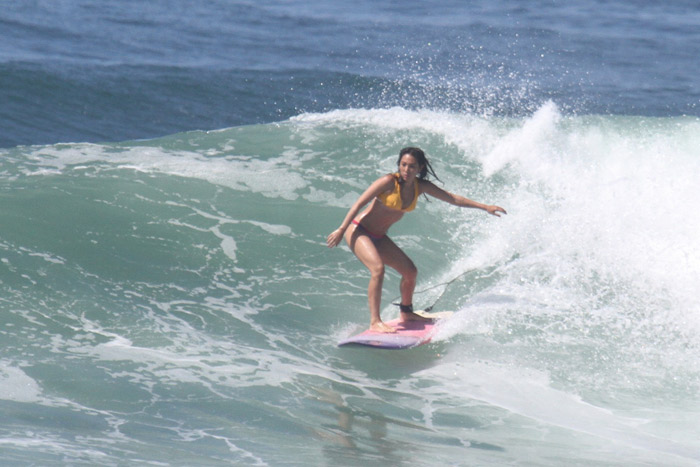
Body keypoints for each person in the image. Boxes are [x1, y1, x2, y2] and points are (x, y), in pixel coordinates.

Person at [326, 147, 507, 333]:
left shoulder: (421, 187)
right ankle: (375, 321)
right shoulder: (388, 182)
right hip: (359, 230)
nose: (406, 170)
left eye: (411, 166)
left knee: (410, 272)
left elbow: (452, 198)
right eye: (403, 165)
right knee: (377, 269)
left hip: (379, 236)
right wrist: (341, 229)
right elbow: (359, 203)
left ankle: (406, 312)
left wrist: (485, 207)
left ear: (420, 168)